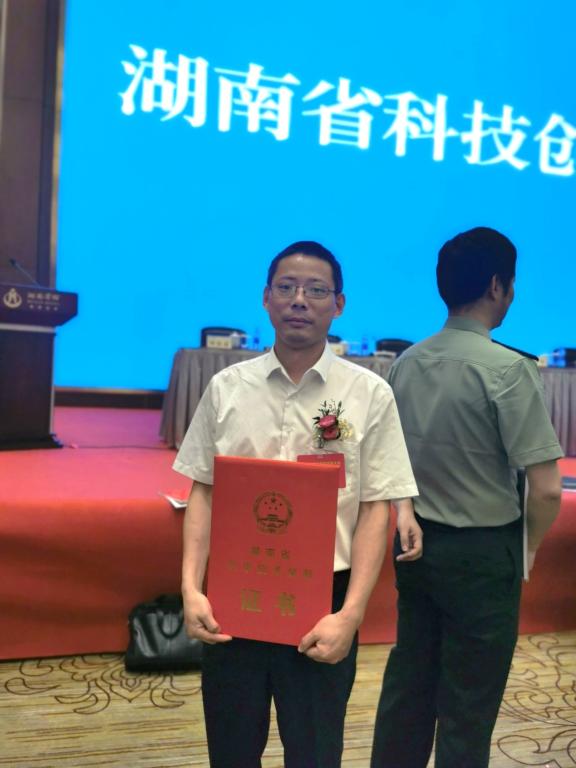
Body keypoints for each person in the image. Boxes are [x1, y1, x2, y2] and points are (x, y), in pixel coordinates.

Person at [174, 240, 421, 768]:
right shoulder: (227, 388)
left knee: (314, 751)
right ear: (266, 298)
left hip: (322, 601)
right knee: (231, 748)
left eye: (316, 290)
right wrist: (192, 588)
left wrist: (350, 615)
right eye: (286, 287)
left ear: (339, 304)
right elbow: (203, 490)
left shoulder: (369, 394)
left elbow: (374, 508)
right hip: (235, 596)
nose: (299, 300)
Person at [371, 226, 564, 768]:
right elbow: (547, 489)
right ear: (498, 286)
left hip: (416, 545)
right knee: (469, 706)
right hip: (484, 555)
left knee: (409, 684)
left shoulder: (406, 362)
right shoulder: (510, 369)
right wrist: (526, 549)